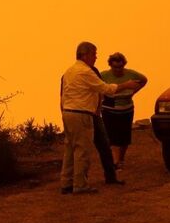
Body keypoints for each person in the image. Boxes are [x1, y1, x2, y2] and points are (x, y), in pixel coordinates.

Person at [60, 42, 141, 194]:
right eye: (94, 54)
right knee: (82, 150)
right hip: (81, 113)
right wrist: (125, 85)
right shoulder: (86, 71)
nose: (96, 57)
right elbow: (106, 89)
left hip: (68, 112)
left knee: (70, 149)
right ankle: (80, 185)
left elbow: (64, 94)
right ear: (86, 55)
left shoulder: (70, 71)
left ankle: (66, 182)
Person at [99, 52, 147, 170]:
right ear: (111, 65)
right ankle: (116, 162)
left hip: (126, 108)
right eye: (115, 67)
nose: (118, 70)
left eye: (120, 67)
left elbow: (144, 80)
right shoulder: (104, 75)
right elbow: (97, 87)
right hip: (109, 108)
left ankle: (121, 159)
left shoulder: (131, 74)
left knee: (125, 137)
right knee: (113, 135)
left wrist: (134, 91)